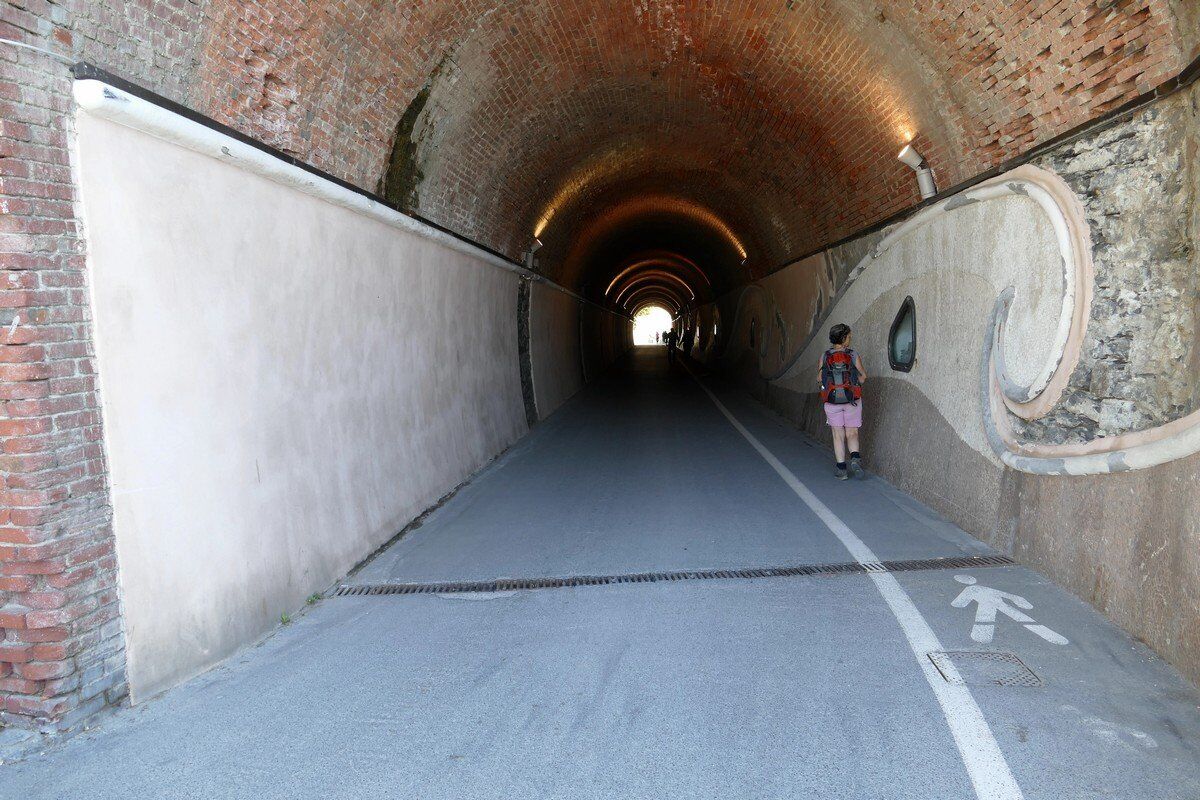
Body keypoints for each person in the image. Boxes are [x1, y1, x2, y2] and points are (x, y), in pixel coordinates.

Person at [817, 323, 866, 480]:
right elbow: (863, 377)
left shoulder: (825, 356)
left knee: (837, 434)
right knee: (852, 431)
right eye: (849, 336)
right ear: (844, 338)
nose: (850, 339)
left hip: (831, 403)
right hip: (852, 400)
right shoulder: (852, 355)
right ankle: (855, 458)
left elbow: (819, 379)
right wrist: (852, 382)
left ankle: (841, 470)